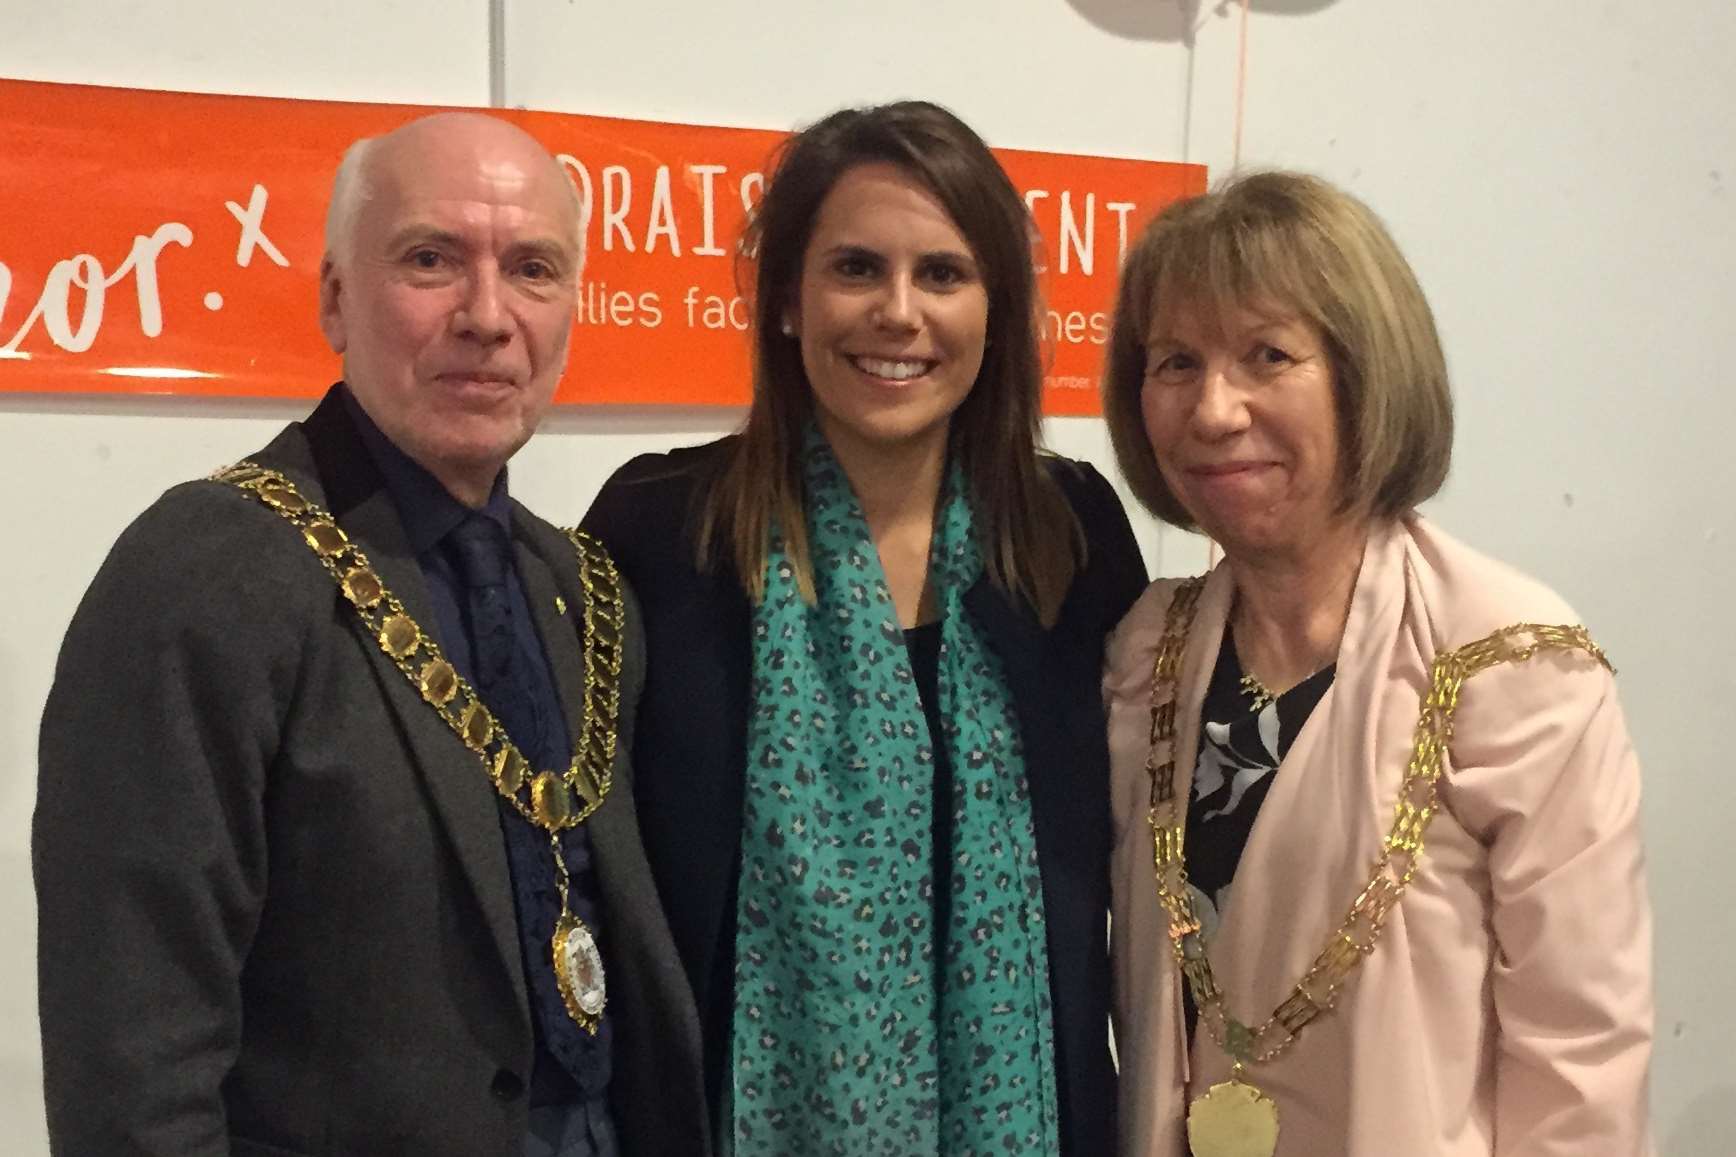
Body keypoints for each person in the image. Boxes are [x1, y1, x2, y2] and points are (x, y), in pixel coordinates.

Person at [33, 112, 707, 1157]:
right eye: (431, 259)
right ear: (336, 297)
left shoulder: (582, 585)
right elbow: (134, 1050)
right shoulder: (204, 572)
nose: (486, 315)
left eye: (532, 269)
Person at [582, 100, 1145, 1156]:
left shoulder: (1071, 536)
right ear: (788, 300)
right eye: (854, 268)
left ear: (996, 310)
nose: (898, 312)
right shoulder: (662, 533)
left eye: (942, 273)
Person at [1099, 170, 1653, 1156]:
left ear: (1366, 372)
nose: (1213, 409)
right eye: (1174, 361)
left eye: (1265, 355)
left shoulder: (1510, 664)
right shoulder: (1147, 648)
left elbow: (1581, 1059)